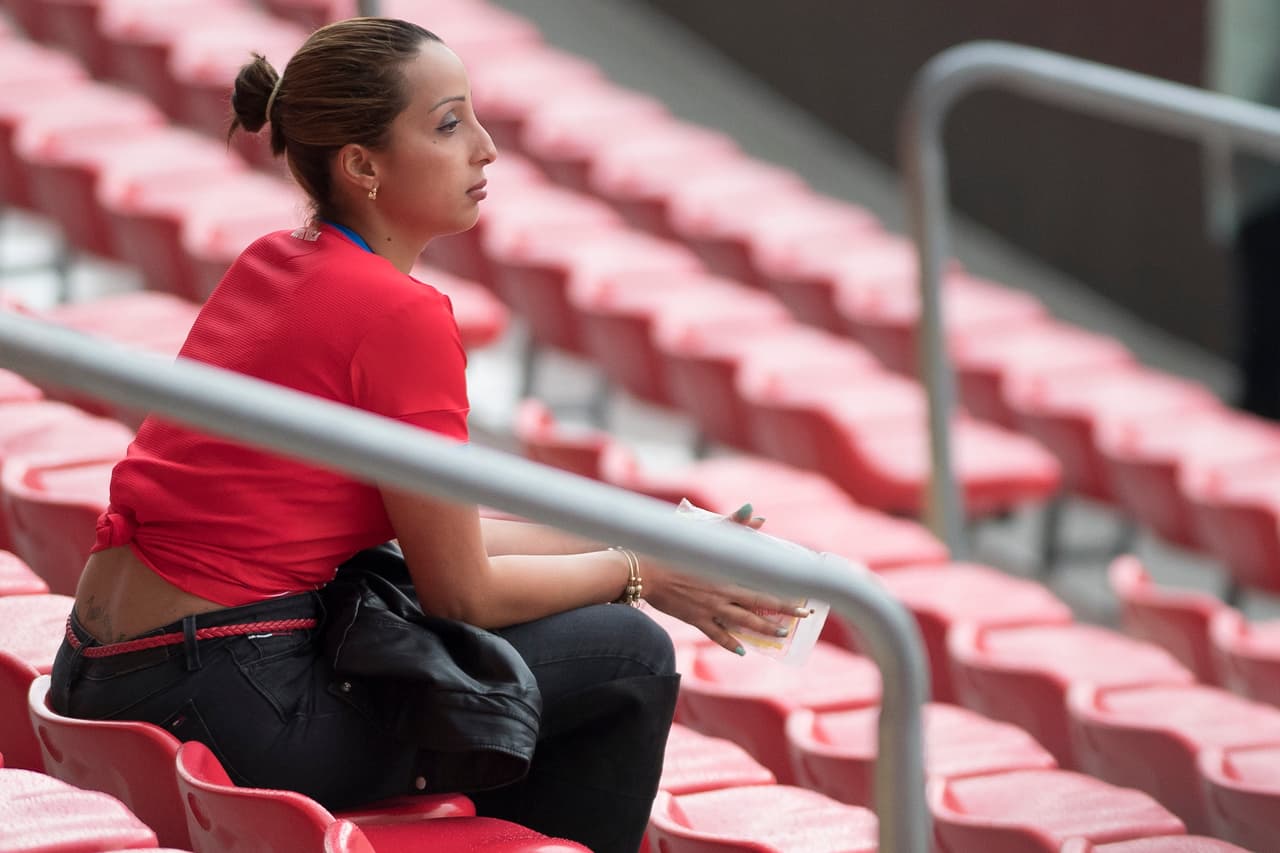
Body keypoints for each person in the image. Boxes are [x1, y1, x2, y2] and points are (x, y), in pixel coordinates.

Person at [47, 17, 803, 853]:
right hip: (220, 694)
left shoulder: (274, 261)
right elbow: (464, 593)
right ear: (362, 165)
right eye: (448, 125)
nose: (485, 149)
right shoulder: (398, 315)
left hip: (100, 670)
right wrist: (639, 575)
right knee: (627, 657)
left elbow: (448, 542)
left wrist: (648, 539)